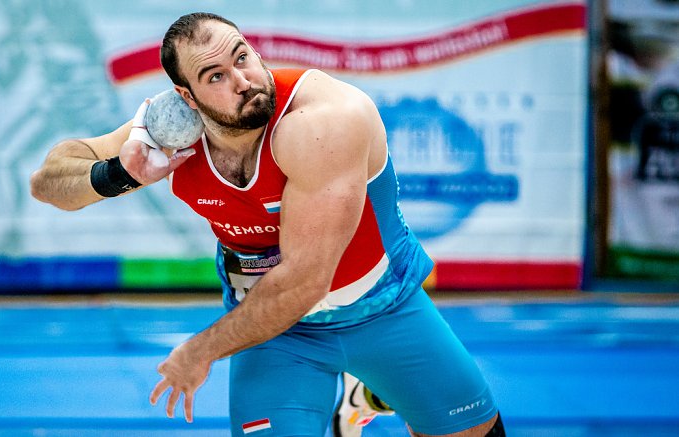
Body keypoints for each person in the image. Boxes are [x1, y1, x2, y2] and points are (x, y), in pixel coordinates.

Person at [30, 12, 505, 437]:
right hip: (277, 333)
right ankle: (369, 391)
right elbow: (47, 183)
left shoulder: (321, 121)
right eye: (215, 75)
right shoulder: (170, 132)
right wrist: (118, 174)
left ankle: (371, 391)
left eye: (243, 57)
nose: (242, 80)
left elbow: (305, 280)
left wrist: (199, 352)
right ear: (186, 97)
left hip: (382, 311)